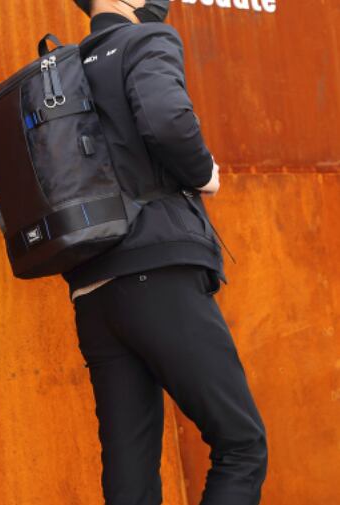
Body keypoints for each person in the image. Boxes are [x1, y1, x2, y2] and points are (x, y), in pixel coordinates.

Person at [62, 1, 268, 504]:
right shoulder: (143, 40)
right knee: (241, 446)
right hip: (158, 270)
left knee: (130, 479)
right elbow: (167, 120)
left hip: (92, 288)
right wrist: (204, 173)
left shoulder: (64, 69)